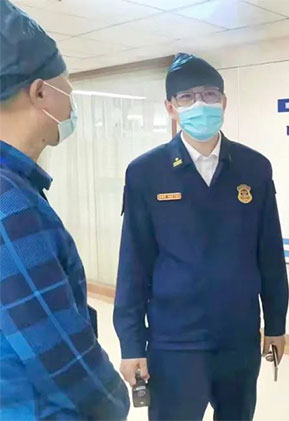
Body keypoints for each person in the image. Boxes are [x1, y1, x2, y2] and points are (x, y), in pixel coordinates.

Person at [113, 53, 289, 421]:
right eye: (187, 97)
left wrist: (276, 324)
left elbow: (270, 253)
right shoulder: (146, 173)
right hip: (175, 341)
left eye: (209, 95)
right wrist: (131, 344)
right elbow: (133, 265)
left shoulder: (254, 168)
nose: (200, 105)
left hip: (238, 337)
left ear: (224, 102)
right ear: (171, 107)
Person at [0, 1, 130, 419]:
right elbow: (59, 356)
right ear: (40, 92)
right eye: (67, 88)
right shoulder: (8, 202)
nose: (71, 103)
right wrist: (116, 401)